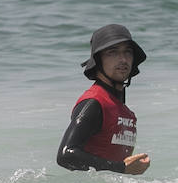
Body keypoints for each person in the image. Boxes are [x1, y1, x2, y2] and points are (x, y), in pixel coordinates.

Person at [56, 24, 152, 174]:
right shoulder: (94, 103)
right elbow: (66, 154)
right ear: (98, 60)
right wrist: (121, 168)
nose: (123, 59)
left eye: (128, 52)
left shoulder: (123, 110)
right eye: (112, 52)